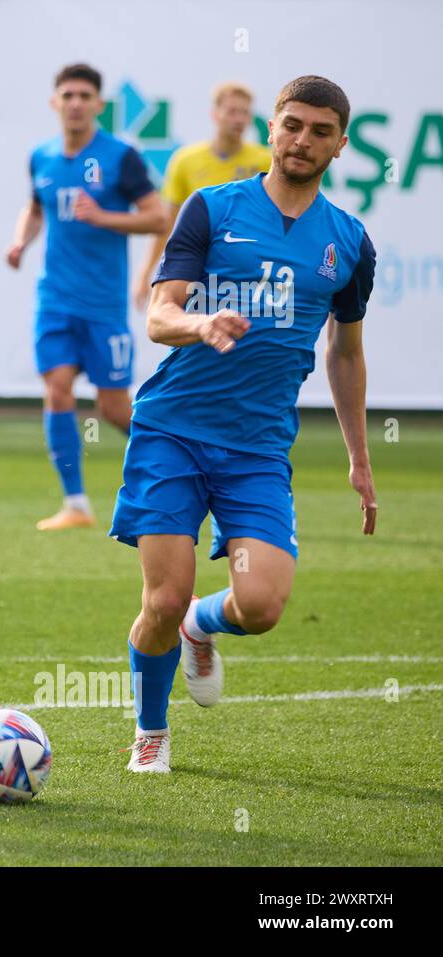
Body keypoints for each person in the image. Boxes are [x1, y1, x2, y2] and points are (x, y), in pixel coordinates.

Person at [112, 76, 377, 773]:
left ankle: (205, 626)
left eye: (321, 131)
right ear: (273, 129)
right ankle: (151, 731)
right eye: (292, 124)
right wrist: (200, 321)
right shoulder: (210, 208)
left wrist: (360, 457)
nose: (303, 139)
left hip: (258, 448)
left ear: (340, 144)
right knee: (161, 597)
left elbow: (345, 352)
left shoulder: (349, 243)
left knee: (260, 604)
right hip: (172, 429)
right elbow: (159, 314)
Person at [5, 63, 166, 531]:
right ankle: (76, 503)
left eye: (84, 96)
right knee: (56, 389)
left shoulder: (121, 157)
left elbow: (157, 219)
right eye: (67, 95)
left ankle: (181, 463)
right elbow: (35, 208)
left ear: (98, 104)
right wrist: (20, 241)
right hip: (54, 300)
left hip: (103, 307)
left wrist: (104, 217)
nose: (75, 103)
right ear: (55, 102)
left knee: (113, 408)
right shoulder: (42, 156)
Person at [133, 82, 271, 311]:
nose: (239, 119)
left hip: (246, 269)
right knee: (191, 330)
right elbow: (169, 222)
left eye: (245, 113)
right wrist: (146, 271)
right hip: (196, 267)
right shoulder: (185, 160)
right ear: (215, 114)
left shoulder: (265, 161)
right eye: (232, 111)